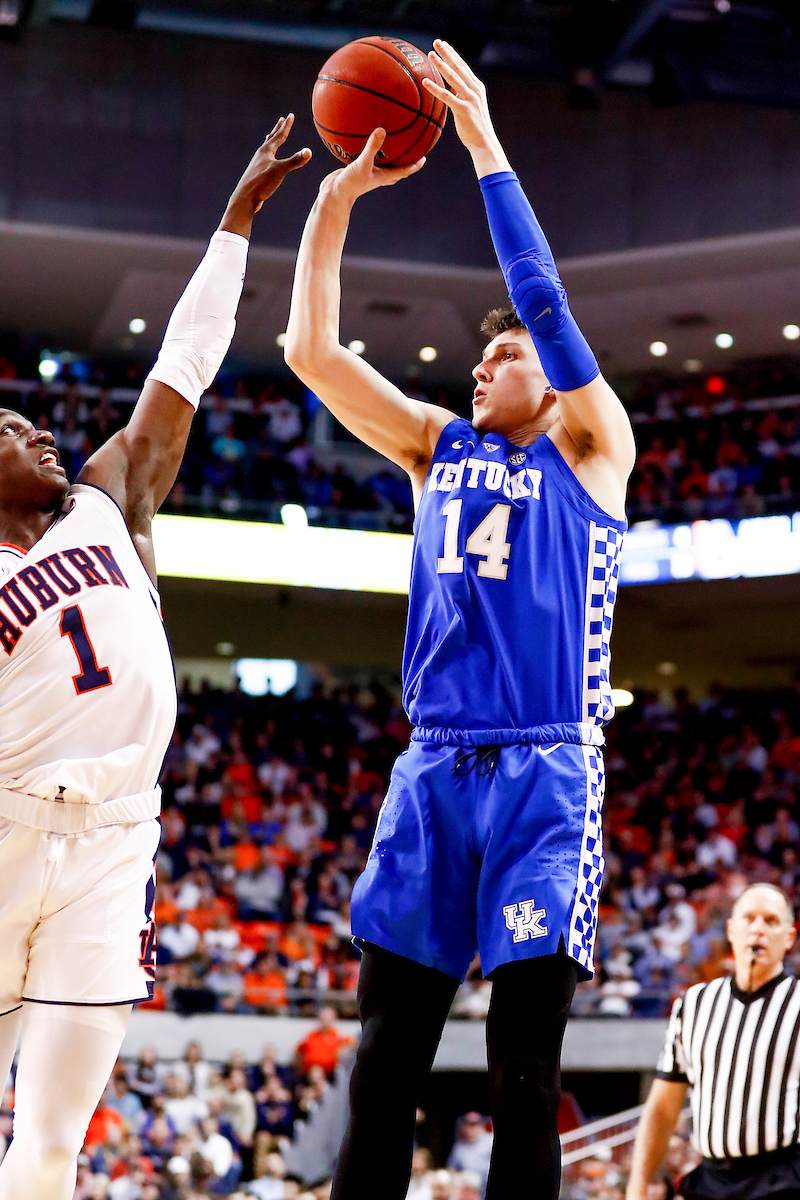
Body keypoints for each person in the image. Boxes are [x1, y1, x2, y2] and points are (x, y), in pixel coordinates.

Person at [285, 39, 634, 1200]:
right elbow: (310, 352)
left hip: (544, 776)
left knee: (522, 1071)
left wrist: (480, 139)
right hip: (431, 772)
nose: (484, 364)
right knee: (385, 1059)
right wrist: (334, 205)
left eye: (503, 355)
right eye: (478, 356)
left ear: (553, 376)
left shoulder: (593, 451)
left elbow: (540, 297)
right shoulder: (435, 445)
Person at [0, 116, 310, 1200]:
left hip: (116, 837)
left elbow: (184, 362)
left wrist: (234, 223)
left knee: (53, 1139)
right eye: (10, 429)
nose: (40, 433)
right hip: (0, 826)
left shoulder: (111, 495)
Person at [627, 883, 800, 1200]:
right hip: (709, 1180)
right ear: (732, 931)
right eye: (749, 918)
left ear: (789, 937)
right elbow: (664, 1107)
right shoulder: (693, 1003)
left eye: (771, 921)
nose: (758, 929)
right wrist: (637, 1188)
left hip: (782, 1179)